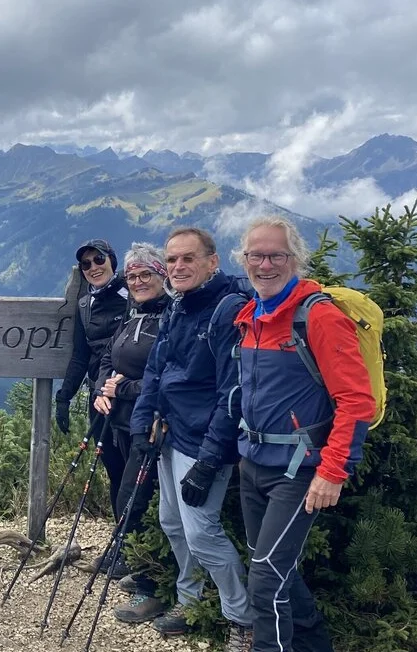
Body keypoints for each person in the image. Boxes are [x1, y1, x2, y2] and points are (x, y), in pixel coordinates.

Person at [233, 216, 374, 652]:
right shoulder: (251, 316)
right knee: (278, 572)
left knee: (264, 582)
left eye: (277, 255)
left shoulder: (319, 316)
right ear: (245, 259)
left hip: (296, 472)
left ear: (295, 260)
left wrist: (333, 471)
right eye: (256, 255)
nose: (266, 264)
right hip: (252, 464)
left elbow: (356, 400)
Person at [113, 226, 254, 651]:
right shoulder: (178, 308)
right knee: (171, 522)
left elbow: (233, 394)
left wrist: (211, 460)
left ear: (212, 262)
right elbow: (157, 370)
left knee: (201, 532)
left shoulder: (227, 310)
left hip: (203, 442)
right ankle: (189, 602)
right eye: (172, 260)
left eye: (187, 259)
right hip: (169, 435)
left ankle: (242, 619)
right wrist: (141, 425)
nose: (178, 267)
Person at [91, 243, 169, 578]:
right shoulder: (132, 312)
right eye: (133, 275)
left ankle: (142, 563)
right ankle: (125, 548)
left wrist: (122, 389)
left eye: (146, 274)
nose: (137, 281)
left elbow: (166, 377)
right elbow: (108, 357)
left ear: (161, 275)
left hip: (150, 419)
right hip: (118, 417)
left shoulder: (171, 316)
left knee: (137, 492)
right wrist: (100, 389)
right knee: (123, 486)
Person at [55, 239, 129, 514]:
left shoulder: (133, 295)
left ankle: (138, 544)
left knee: (135, 470)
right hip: (98, 398)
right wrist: (64, 398)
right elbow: (80, 356)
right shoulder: (85, 304)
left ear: (112, 260)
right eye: (86, 264)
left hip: (129, 395)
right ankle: (121, 540)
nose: (93, 267)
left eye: (99, 260)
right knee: (112, 466)